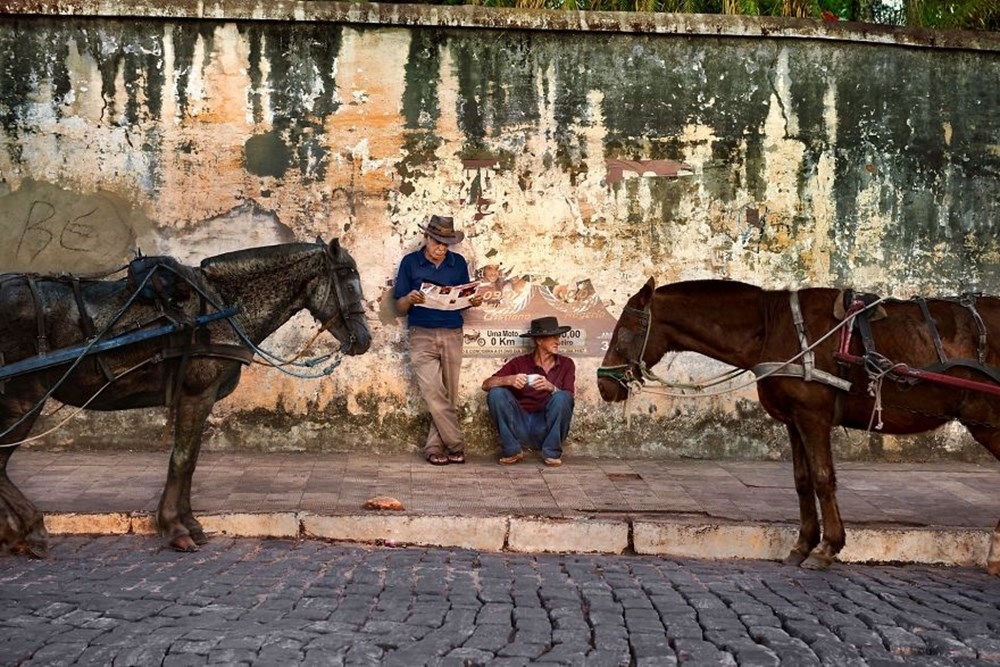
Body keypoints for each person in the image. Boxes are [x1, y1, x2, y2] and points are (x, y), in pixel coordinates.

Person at [394, 215, 482, 466]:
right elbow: (399, 307)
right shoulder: (410, 263)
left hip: (452, 332)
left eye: (446, 244)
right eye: (437, 242)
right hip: (421, 334)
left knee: (448, 394)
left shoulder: (458, 263)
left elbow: (465, 296)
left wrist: (472, 300)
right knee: (433, 393)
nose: (441, 248)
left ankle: (434, 447)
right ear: (426, 237)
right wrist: (410, 299)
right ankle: (456, 444)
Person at [481, 316, 576, 467]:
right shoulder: (519, 362)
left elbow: (569, 397)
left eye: (558, 337)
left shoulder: (566, 364)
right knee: (496, 393)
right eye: (553, 337)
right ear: (539, 340)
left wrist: (551, 388)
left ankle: (551, 453)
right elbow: (486, 384)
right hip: (519, 426)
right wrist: (508, 380)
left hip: (545, 427)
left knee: (562, 397)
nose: (558, 341)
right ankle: (512, 450)